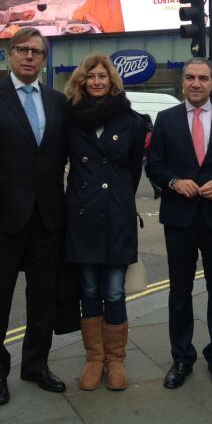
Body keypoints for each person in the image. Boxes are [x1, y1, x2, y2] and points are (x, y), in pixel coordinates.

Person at [0, 28, 71, 407]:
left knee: (43, 300)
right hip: (0, 220)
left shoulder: (58, 101)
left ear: (44, 60)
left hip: (47, 218)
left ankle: (36, 365)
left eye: (37, 52)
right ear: (10, 54)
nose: (29, 57)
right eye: (22, 50)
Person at [146, 58, 212, 389]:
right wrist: (174, 182)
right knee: (180, 292)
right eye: (189, 77)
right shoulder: (165, 119)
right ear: (182, 83)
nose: (195, 83)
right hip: (179, 218)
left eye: (202, 78)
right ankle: (181, 358)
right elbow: (154, 165)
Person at [64, 53, 146, 391]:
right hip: (82, 217)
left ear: (112, 81)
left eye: (103, 76)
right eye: (91, 76)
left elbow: (132, 172)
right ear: (81, 82)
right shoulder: (68, 118)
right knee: (88, 289)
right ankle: (94, 359)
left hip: (116, 217)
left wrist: (120, 201)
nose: (97, 81)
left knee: (113, 291)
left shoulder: (132, 121)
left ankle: (116, 361)